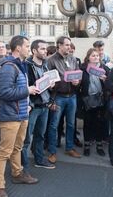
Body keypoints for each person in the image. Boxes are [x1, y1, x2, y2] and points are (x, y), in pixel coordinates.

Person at [0, 35, 39, 197]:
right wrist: (28, 90)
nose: (28, 48)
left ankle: (17, 174)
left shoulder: (21, 66)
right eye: (26, 45)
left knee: (17, 148)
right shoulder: (8, 67)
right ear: (18, 48)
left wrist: (27, 104)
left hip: (21, 114)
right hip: (11, 116)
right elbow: (4, 93)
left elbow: (19, 90)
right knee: (4, 151)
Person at [21, 39, 55, 170]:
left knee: (40, 135)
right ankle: (23, 165)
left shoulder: (46, 64)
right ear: (34, 51)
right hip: (33, 106)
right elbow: (25, 86)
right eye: (42, 49)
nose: (45, 51)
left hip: (44, 105)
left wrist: (51, 85)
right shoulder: (27, 65)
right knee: (26, 138)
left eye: (46, 49)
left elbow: (47, 85)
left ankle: (39, 159)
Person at [47, 36, 82, 164]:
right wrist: (58, 82)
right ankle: (52, 151)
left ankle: (69, 148)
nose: (69, 47)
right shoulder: (51, 60)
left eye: (69, 45)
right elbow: (47, 79)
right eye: (66, 45)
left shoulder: (73, 59)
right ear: (59, 46)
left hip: (72, 96)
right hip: (58, 96)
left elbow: (79, 76)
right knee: (54, 125)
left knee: (71, 124)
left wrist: (77, 82)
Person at [79, 48, 109, 157]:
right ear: (88, 58)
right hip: (87, 99)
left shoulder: (104, 68)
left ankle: (99, 145)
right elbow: (79, 85)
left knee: (99, 123)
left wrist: (105, 80)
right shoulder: (83, 69)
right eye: (93, 56)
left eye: (97, 56)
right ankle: (86, 145)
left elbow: (110, 85)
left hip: (100, 99)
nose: (96, 57)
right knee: (88, 123)